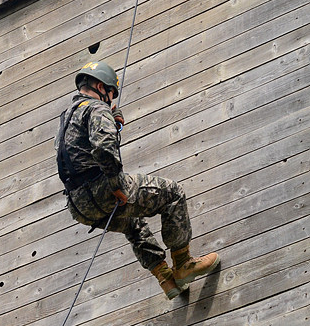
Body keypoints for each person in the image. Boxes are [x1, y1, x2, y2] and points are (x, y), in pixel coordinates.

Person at [55, 62, 220, 300]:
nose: (110, 101)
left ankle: (166, 278)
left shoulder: (67, 117)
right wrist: (115, 185)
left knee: (133, 223)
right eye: (111, 94)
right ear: (101, 86)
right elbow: (103, 148)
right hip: (103, 189)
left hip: (79, 206)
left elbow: (77, 151)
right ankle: (183, 264)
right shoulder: (96, 109)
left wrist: (110, 118)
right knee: (173, 193)